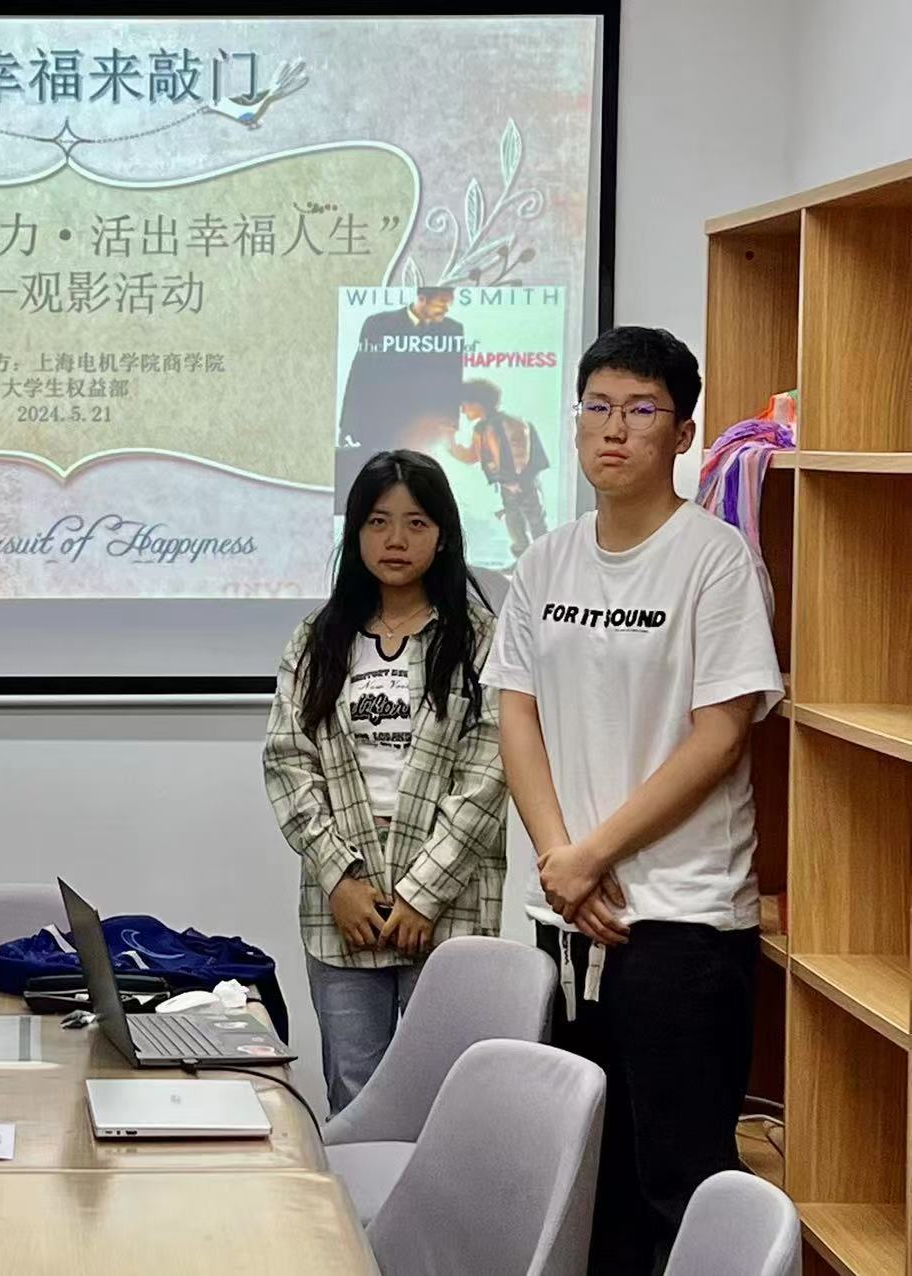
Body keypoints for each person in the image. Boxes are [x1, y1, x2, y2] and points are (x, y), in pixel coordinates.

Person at [483, 327, 783, 1274]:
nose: (615, 429)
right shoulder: (546, 562)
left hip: (681, 925)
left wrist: (592, 854)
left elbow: (720, 736)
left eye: (642, 410)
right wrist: (558, 860)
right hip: (567, 918)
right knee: (585, 1184)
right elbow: (517, 715)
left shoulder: (716, 561)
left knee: (676, 1191)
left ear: (683, 433)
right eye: (598, 407)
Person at [264, 449, 505, 1115]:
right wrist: (339, 879)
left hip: (450, 909)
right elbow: (287, 761)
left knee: (444, 1102)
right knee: (354, 1098)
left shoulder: (482, 640)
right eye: (378, 521)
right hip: (342, 912)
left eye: (416, 522)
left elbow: (489, 773)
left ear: (444, 535)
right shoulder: (317, 639)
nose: (396, 539)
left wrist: (423, 895)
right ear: (355, 533)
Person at [334, 287, 467, 508]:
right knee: (379, 490)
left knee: (420, 491)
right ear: (422, 299)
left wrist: (451, 423)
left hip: (423, 427)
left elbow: (453, 379)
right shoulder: (378, 324)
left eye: (449, 303)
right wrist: (347, 424)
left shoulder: (452, 329)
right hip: (380, 424)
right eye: (442, 302)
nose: (446, 308)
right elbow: (359, 374)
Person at [451, 378, 551, 558]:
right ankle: (525, 560)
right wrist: (450, 444)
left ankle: (543, 560)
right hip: (509, 483)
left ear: (478, 404)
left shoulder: (496, 426)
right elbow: (473, 456)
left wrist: (512, 481)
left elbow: (506, 455)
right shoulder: (482, 428)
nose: (463, 411)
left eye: (465, 405)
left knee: (532, 519)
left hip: (519, 482)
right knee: (515, 520)